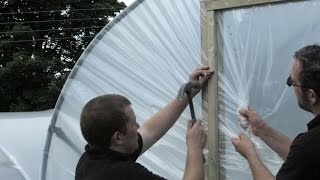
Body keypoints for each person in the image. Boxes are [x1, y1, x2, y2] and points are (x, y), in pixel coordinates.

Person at [75, 66, 214, 180]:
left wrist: (187, 95)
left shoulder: (91, 159)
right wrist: (195, 148)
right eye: (133, 124)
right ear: (118, 137)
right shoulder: (122, 174)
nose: (138, 127)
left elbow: (150, 132)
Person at [231, 44, 320, 180]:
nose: (291, 87)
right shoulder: (309, 147)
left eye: (292, 83)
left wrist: (250, 154)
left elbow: (304, 153)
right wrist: (262, 130)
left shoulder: (309, 144)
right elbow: (303, 158)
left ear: (312, 96)